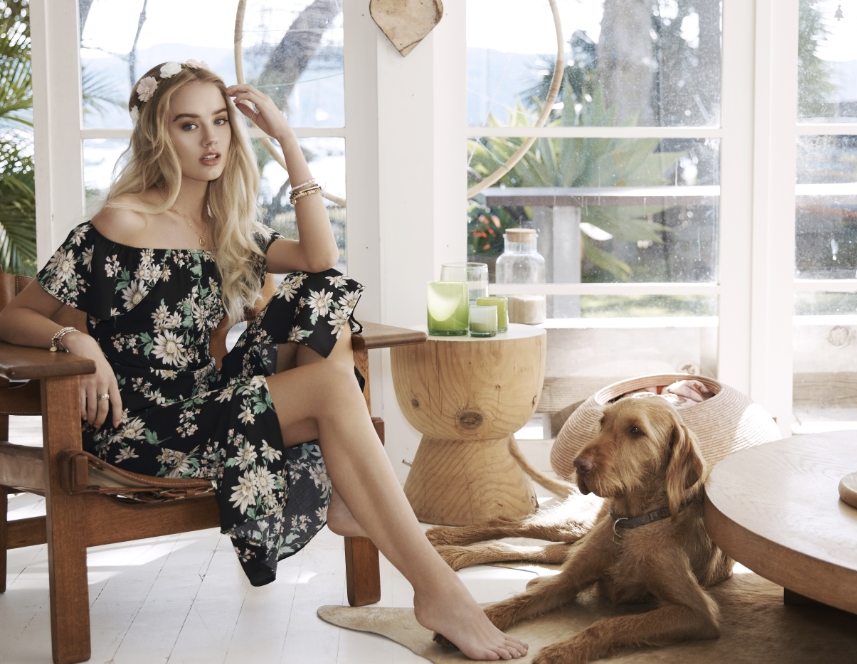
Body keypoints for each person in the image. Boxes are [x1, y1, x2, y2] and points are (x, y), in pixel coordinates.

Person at [0, 61, 527, 661]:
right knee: (332, 387)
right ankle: (438, 590)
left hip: (210, 402)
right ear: (158, 136)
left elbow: (320, 257)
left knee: (323, 293)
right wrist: (77, 342)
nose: (211, 139)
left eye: (220, 121)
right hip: (146, 427)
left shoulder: (224, 226)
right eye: (189, 125)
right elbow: (15, 316)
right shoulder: (120, 221)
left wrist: (287, 141)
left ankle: (388, 540)